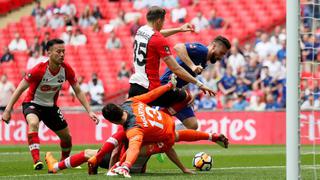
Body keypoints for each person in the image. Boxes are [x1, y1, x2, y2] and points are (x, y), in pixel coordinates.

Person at [87, 81, 228, 178]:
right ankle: (212, 136)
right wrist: (168, 86)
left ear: (112, 121)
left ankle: (120, 165)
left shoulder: (134, 129)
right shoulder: (130, 102)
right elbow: (152, 95)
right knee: (175, 135)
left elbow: (134, 148)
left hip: (164, 136)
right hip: (165, 118)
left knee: (137, 146)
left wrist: (126, 165)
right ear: (118, 107)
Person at [1, 39, 99, 170]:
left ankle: (64, 162)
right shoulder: (38, 70)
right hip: (32, 104)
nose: (62, 54)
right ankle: (37, 160)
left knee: (67, 138)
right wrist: (8, 110)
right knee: (33, 123)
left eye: (63, 51)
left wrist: (89, 111)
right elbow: (19, 89)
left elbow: (78, 90)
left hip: (51, 108)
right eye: (58, 51)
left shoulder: (67, 69)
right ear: (49, 53)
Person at [129, 6, 215, 118]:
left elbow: (158, 35)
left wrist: (179, 29)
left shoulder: (141, 30)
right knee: (187, 97)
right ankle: (160, 119)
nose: (163, 24)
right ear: (159, 20)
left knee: (132, 125)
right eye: (163, 21)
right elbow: (176, 68)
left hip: (134, 86)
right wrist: (199, 84)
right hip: (150, 89)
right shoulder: (158, 39)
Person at [160, 36, 231, 129]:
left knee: (193, 125)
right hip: (167, 87)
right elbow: (178, 47)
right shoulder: (202, 50)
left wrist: (187, 95)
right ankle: (158, 117)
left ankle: (167, 134)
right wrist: (192, 66)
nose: (221, 57)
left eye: (223, 55)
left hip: (177, 90)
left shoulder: (204, 62)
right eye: (221, 53)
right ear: (213, 46)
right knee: (159, 121)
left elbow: (184, 77)